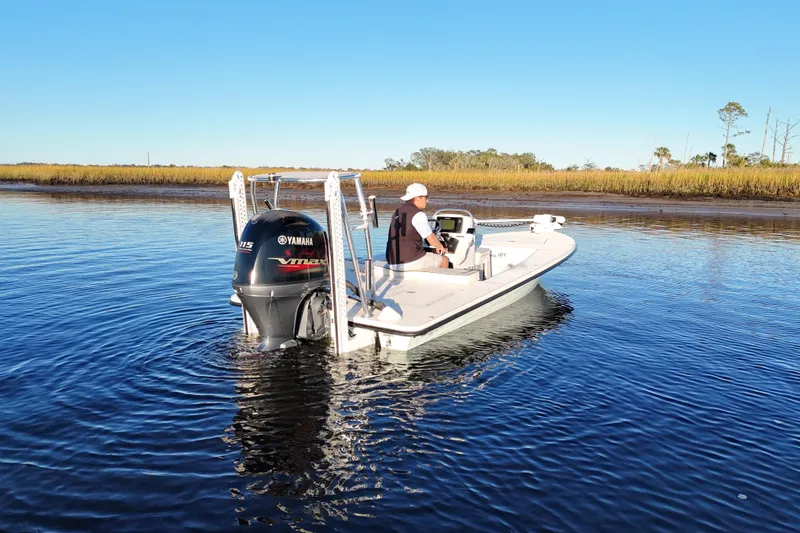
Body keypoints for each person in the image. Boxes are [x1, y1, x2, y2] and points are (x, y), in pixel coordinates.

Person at [385, 183, 449, 270]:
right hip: (409, 261)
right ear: (418, 197)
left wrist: (436, 246)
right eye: (426, 197)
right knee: (444, 260)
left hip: (392, 261)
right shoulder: (418, 214)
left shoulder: (397, 211)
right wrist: (441, 247)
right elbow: (430, 238)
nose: (427, 200)